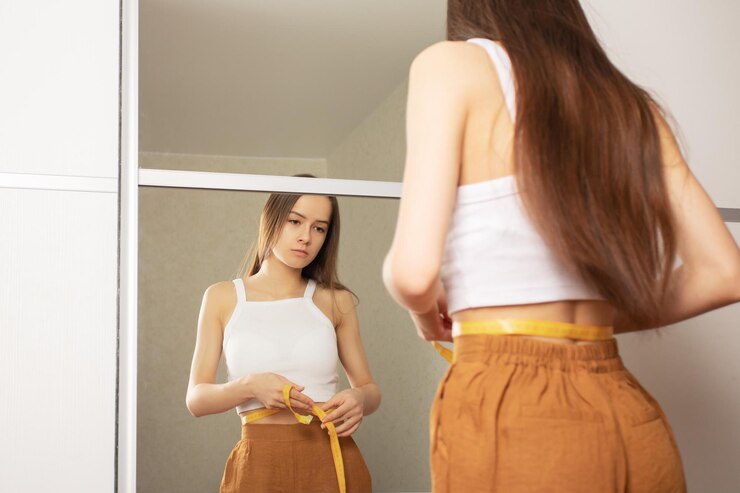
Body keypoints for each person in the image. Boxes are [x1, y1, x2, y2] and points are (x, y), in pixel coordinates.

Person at [383, 1, 740, 492]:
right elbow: (725, 273)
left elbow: (413, 274)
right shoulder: (628, 103)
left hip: (513, 407)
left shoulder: (452, 64)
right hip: (625, 405)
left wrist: (425, 316)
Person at [187, 187, 379, 493]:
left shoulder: (336, 301)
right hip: (258, 466)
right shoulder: (222, 297)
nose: (306, 237)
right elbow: (196, 400)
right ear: (271, 220)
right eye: (295, 221)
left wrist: (359, 399)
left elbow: (369, 389)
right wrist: (248, 386)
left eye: (319, 228)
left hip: (332, 458)